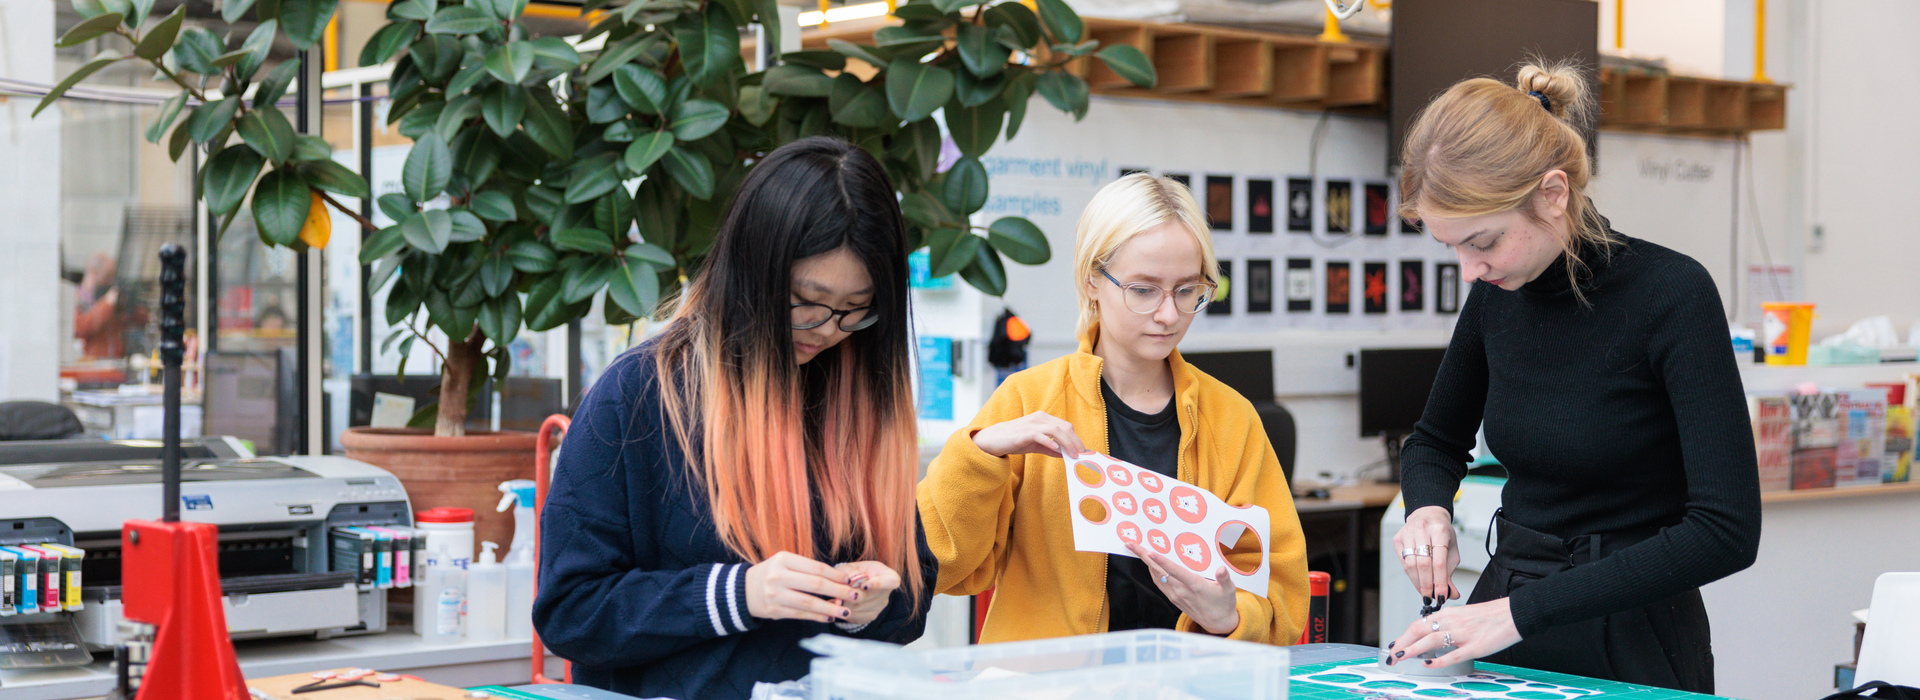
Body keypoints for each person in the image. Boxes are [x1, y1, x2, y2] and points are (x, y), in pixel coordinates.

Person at [1384, 61, 1761, 692]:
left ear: (1553, 194)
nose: (1469, 270)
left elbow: (1725, 531)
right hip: (1506, 613)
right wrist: (1427, 509)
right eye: (1452, 248)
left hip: (1633, 636)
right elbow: (1434, 441)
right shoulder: (1498, 294)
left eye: (1482, 242)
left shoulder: (1673, 295)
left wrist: (1520, 613)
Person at [533, 137, 934, 700]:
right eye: (806, 301)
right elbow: (570, 612)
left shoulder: (862, 398)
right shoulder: (639, 397)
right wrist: (738, 595)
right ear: (752, 270)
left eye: (855, 309)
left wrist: (873, 605)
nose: (827, 329)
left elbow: (913, 593)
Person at [919, 173, 1309, 644]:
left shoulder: (1232, 419)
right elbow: (943, 566)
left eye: (1187, 291)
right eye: (1143, 290)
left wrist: (1231, 617)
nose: (1168, 315)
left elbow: (1283, 593)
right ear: (1092, 279)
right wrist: (980, 453)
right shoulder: (1028, 400)